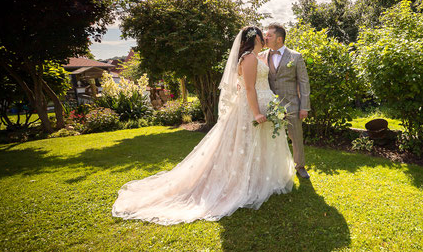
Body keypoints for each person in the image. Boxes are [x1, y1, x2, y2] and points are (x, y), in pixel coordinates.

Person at [111, 26, 295, 225]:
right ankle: (244, 183)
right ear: (256, 38)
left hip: (264, 106)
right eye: (263, 35)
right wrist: (257, 112)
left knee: (258, 145)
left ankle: (259, 180)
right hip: (251, 109)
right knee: (245, 145)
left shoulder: (255, 57)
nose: (265, 38)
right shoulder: (249, 58)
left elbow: (242, 84)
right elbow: (249, 88)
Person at [261, 23, 311, 178]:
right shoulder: (261, 56)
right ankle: (273, 168)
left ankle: (300, 166)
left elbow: (304, 83)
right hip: (269, 105)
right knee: (271, 138)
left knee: (296, 137)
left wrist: (305, 107)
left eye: (269, 35)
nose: (265, 37)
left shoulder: (295, 57)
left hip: (292, 104)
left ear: (279, 39)